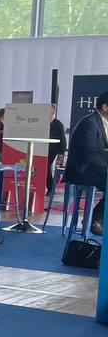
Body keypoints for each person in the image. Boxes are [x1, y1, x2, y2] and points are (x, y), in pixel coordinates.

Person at [64, 90, 108, 236]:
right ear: (105, 107)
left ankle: (97, 218)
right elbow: (89, 154)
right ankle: (95, 218)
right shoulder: (89, 123)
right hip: (83, 171)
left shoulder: (103, 123)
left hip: (97, 169)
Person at [48, 104, 67, 195]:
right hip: (44, 148)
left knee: (47, 166)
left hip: (53, 149)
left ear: (53, 113)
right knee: (45, 167)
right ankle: (50, 188)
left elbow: (62, 139)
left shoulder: (58, 124)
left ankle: (51, 188)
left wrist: (61, 153)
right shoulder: (44, 123)